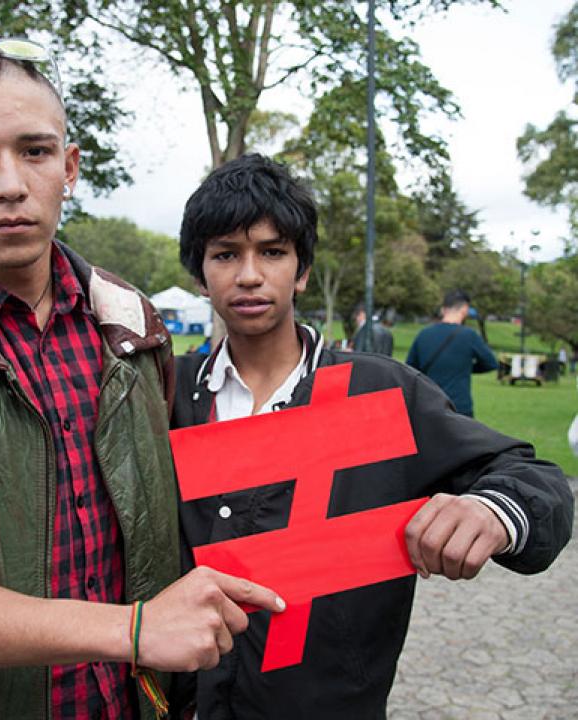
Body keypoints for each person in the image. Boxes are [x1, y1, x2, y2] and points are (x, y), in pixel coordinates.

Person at [0, 30, 284, 720]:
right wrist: (133, 631)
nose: (9, 184)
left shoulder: (131, 326)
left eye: (34, 151)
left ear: (68, 166)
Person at [171, 154, 573, 719]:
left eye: (272, 251)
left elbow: (539, 481)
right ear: (199, 272)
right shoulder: (166, 395)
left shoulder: (376, 393)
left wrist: (492, 512)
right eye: (225, 254)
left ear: (302, 269)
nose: (250, 275)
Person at [406, 290, 497, 417]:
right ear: (465, 310)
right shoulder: (469, 335)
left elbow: (409, 369)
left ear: (443, 310)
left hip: (428, 405)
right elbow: (491, 363)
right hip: (459, 407)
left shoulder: (423, 335)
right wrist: (467, 367)